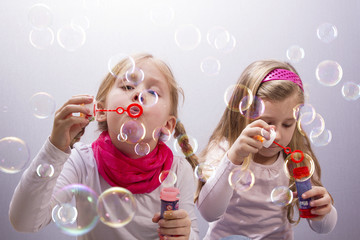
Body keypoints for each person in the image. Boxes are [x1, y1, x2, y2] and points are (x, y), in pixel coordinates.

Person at [9, 53, 199, 240]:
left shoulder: (178, 171)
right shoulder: (83, 161)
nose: (138, 93)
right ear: (101, 111)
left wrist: (185, 235)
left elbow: (192, 236)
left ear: (167, 125)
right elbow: (25, 222)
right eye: (127, 86)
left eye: (153, 93)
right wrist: (55, 149)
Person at [195, 60, 337, 240]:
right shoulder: (225, 150)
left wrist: (324, 211)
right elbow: (209, 212)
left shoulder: (296, 159)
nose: (277, 135)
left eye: (287, 124)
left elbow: (322, 228)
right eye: (268, 123)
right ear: (243, 113)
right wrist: (234, 158)